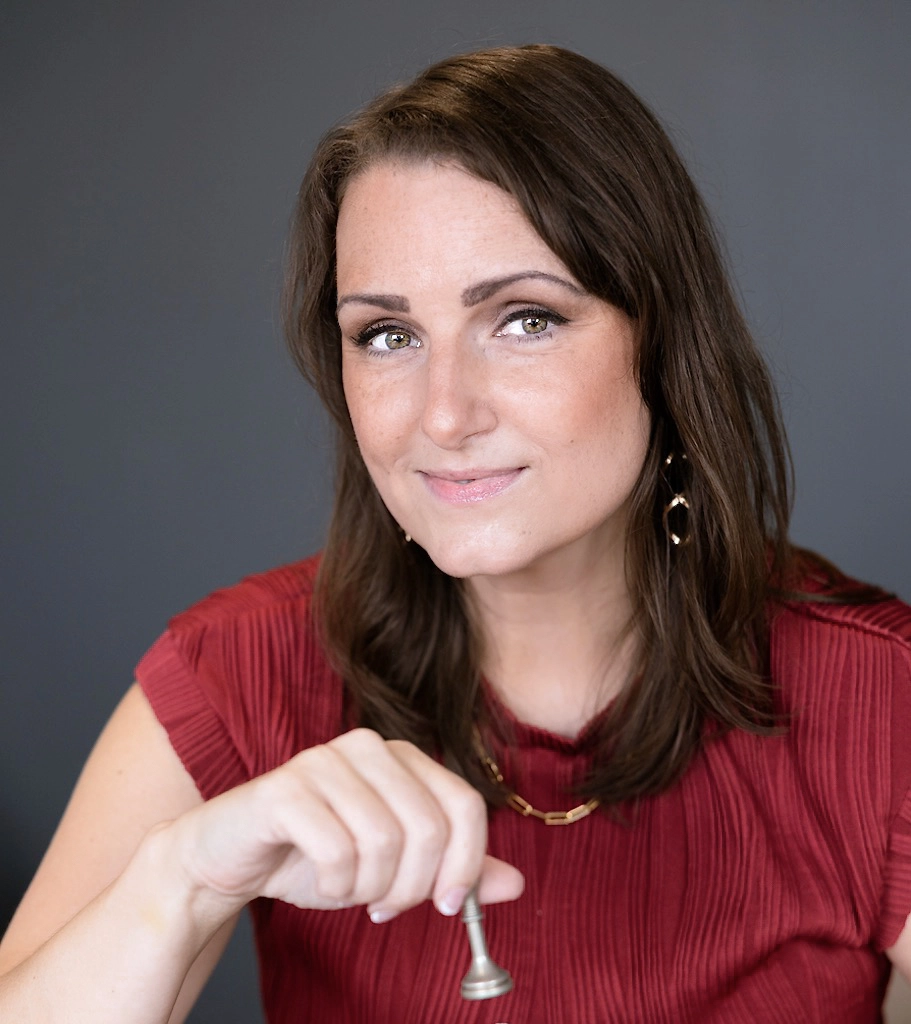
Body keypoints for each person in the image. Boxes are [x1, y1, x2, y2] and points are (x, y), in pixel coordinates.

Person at [1, 43, 909, 1023]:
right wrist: (179, 883)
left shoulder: (873, 696)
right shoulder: (239, 673)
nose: (441, 416)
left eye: (523, 319)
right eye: (385, 336)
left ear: (659, 341)